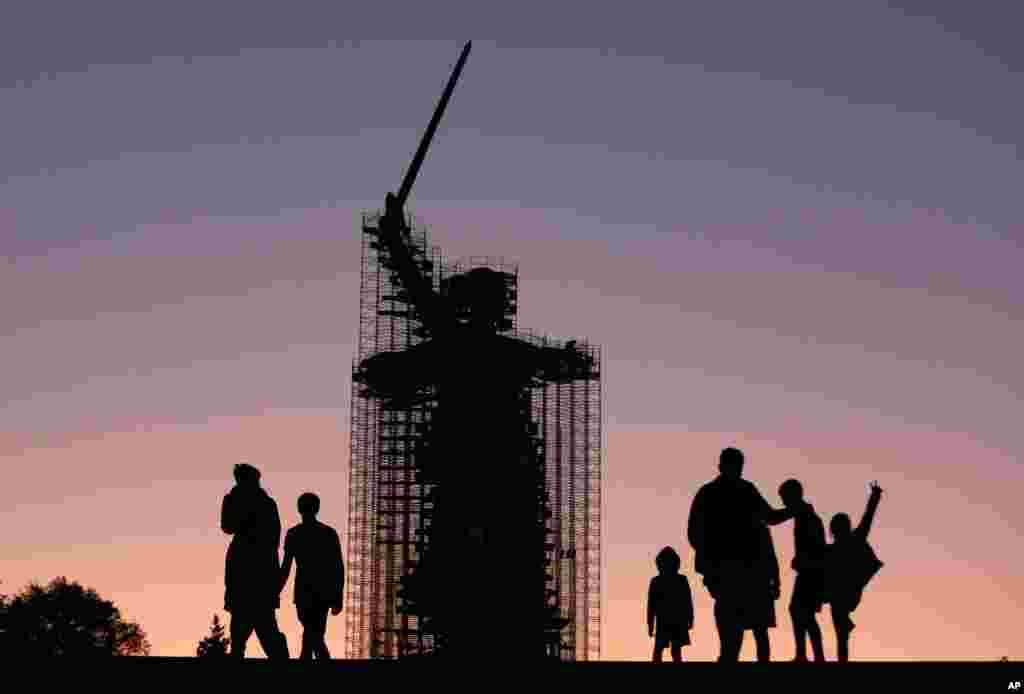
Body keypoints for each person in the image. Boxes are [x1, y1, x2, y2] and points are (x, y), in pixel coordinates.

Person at [687, 447, 795, 662]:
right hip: (728, 568)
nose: (737, 470)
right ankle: (729, 658)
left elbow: (770, 517)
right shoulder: (713, 493)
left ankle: (730, 659)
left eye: (738, 466)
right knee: (737, 622)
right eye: (734, 466)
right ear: (722, 466)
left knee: (752, 624)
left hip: (747, 569)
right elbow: (695, 533)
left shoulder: (740, 490)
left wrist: (794, 510)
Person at [221, 463, 289, 659]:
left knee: (260, 622)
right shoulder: (264, 502)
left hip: (252, 566)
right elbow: (227, 526)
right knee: (252, 622)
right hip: (253, 566)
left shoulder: (262, 503)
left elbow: (228, 526)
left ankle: (275, 656)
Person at [279, 492, 345, 660]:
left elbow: (286, 567)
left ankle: (308, 660)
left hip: (304, 592)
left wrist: (276, 589)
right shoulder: (328, 533)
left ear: (299, 509)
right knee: (314, 633)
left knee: (312, 633)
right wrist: (337, 597)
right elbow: (337, 568)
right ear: (317, 508)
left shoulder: (294, 534)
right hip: (322, 591)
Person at [825, 481, 884, 663]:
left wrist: (874, 497)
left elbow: (868, 518)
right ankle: (843, 656)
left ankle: (843, 657)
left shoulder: (855, 539)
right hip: (842, 592)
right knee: (840, 627)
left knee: (840, 626)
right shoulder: (833, 549)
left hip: (849, 590)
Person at [778, 479, 827, 662]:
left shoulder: (807, 517)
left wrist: (802, 560)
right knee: (802, 613)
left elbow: (815, 546)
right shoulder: (804, 515)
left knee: (800, 611)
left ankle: (807, 655)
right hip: (809, 571)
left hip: (811, 573)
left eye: (784, 498)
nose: (783, 502)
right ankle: (808, 654)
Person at [646, 547, 694, 663]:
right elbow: (688, 602)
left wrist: (650, 625)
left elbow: (651, 607)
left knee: (662, 651)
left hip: (667, 620)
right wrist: (690, 619)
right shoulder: (680, 580)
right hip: (673, 620)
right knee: (672, 651)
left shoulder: (656, 582)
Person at [747, 522, 782, 662]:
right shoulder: (763, 532)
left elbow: (772, 559)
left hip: (755, 585)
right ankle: (763, 660)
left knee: (759, 629)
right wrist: (776, 584)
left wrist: (776, 584)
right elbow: (772, 560)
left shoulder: (760, 532)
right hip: (758, 585)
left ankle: (763, 660)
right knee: (760, 630)